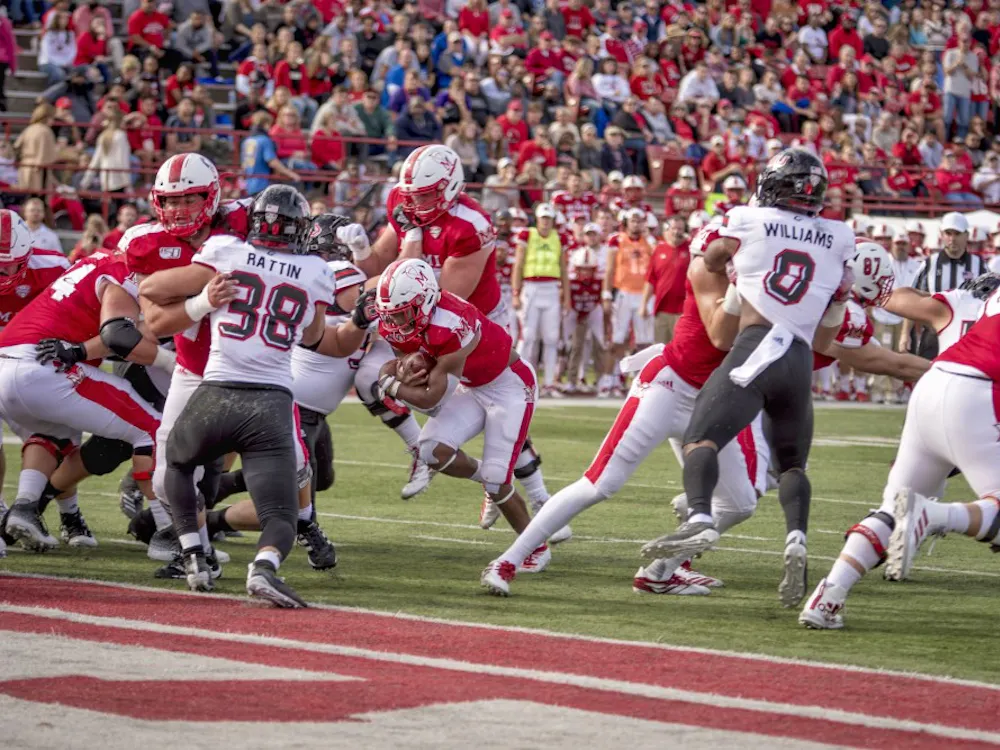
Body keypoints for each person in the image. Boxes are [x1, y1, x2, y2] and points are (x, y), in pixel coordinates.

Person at [640, 149, 855, 609]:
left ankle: (699, 516)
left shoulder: (747, 219)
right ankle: (796, 538)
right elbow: (829, 331)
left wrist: (738, 265)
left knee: (701, 438)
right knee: (793, 465)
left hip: (755, 345)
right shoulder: (839, 236)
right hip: (797, 357)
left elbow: (712, 259)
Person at [139, 185, 365, 604]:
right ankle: (263, 568)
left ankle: (192, 554)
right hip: (271, 404)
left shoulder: (226, 250)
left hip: (215, 391)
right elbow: (320, 341)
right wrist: (359, 322)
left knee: (177, 465)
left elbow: (152, 288)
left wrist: (204, 300)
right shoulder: (317, 271)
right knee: (281, 514)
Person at [338, 143, 557, 535]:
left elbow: (436, 296)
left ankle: (531, 492)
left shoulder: (470, 224)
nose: (417, 204)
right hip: (420, 317)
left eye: (425, 195)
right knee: (374, 378)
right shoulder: (405, 204)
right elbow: (385, 276)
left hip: (470, 321)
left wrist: (411, 247)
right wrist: (359, 252)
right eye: (412, 196)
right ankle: (432, 453)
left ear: (450, 186)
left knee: (491, 402)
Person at [801, 273, 1000, 629]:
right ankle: (934, 516)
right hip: (978, 392)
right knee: (979, 504)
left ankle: (829, 595)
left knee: (891, 509)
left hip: (934, 382)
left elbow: (901, 297)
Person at [374, 258, 549, 571]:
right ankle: (493, 482)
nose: (397, 322)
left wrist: (391, 385)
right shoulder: (412, 319)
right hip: (473, 385)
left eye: (402, 313)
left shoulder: (453, 322)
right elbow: (398, 360)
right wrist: (393, 371)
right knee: (430, 450)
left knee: (498, 481)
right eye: (392, 314)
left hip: (509, 385)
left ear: (425, 299)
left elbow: (432, 401)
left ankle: (536, 547)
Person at [0, 242, 167, 554]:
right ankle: (169, 534)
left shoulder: (94, 261)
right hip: (43, 366)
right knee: (153, 430)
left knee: (54, 433)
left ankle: (24, 507)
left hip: (7, 361)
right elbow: (119, 337)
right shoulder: (123, 274)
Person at [903, 212, 986, 359]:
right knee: (928, 375)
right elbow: (912, 297)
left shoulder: (979, 265)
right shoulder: (929, 263)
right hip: (933, 333)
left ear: (966, 236)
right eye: (948, 233)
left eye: (957, 234)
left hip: (966, 334)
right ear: (941, 235)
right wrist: (905, 334)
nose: (952, 239)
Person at [512, 202, 567, 398]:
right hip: (531, 287)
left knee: (551, 338)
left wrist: (566, 297)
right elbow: (518, 265)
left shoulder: (558, 238)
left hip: (551, 289)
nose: (546, 222)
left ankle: (549, 383)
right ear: (537, 219)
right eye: (543, 218)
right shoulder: (528, 235)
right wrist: (516, 292)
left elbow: (564, 269)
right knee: (528, 336)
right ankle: (519, 380)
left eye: (549, 219)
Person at [604, 207, 654, 370]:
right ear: (626, 223)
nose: (636, 224)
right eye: (633, 221)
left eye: (639, 221)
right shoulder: (617, 240)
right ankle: (611, 377)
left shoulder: (650, 242)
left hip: (644, 294)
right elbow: (610, 269)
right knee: (618, 337)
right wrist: (606, 293)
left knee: (645, 340)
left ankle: (641, 375)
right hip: (623, 292)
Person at [642, 216, 689, 345]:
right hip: (662, 308)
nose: (676, 232)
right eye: (673, 228)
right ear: (666, 230)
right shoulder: (659, 250)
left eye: (680, 228)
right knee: (660, 347)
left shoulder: (690, 249)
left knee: (679, 347)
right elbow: (650, 279)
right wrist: (644, 304)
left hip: (683, 310)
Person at [241, 111, 300, 196]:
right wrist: (290, 174)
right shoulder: (265, 140)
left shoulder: (246, 141)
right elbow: (272, 161)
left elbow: (244, 165)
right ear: (266, 124)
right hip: (262, 185)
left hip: (248, 185)